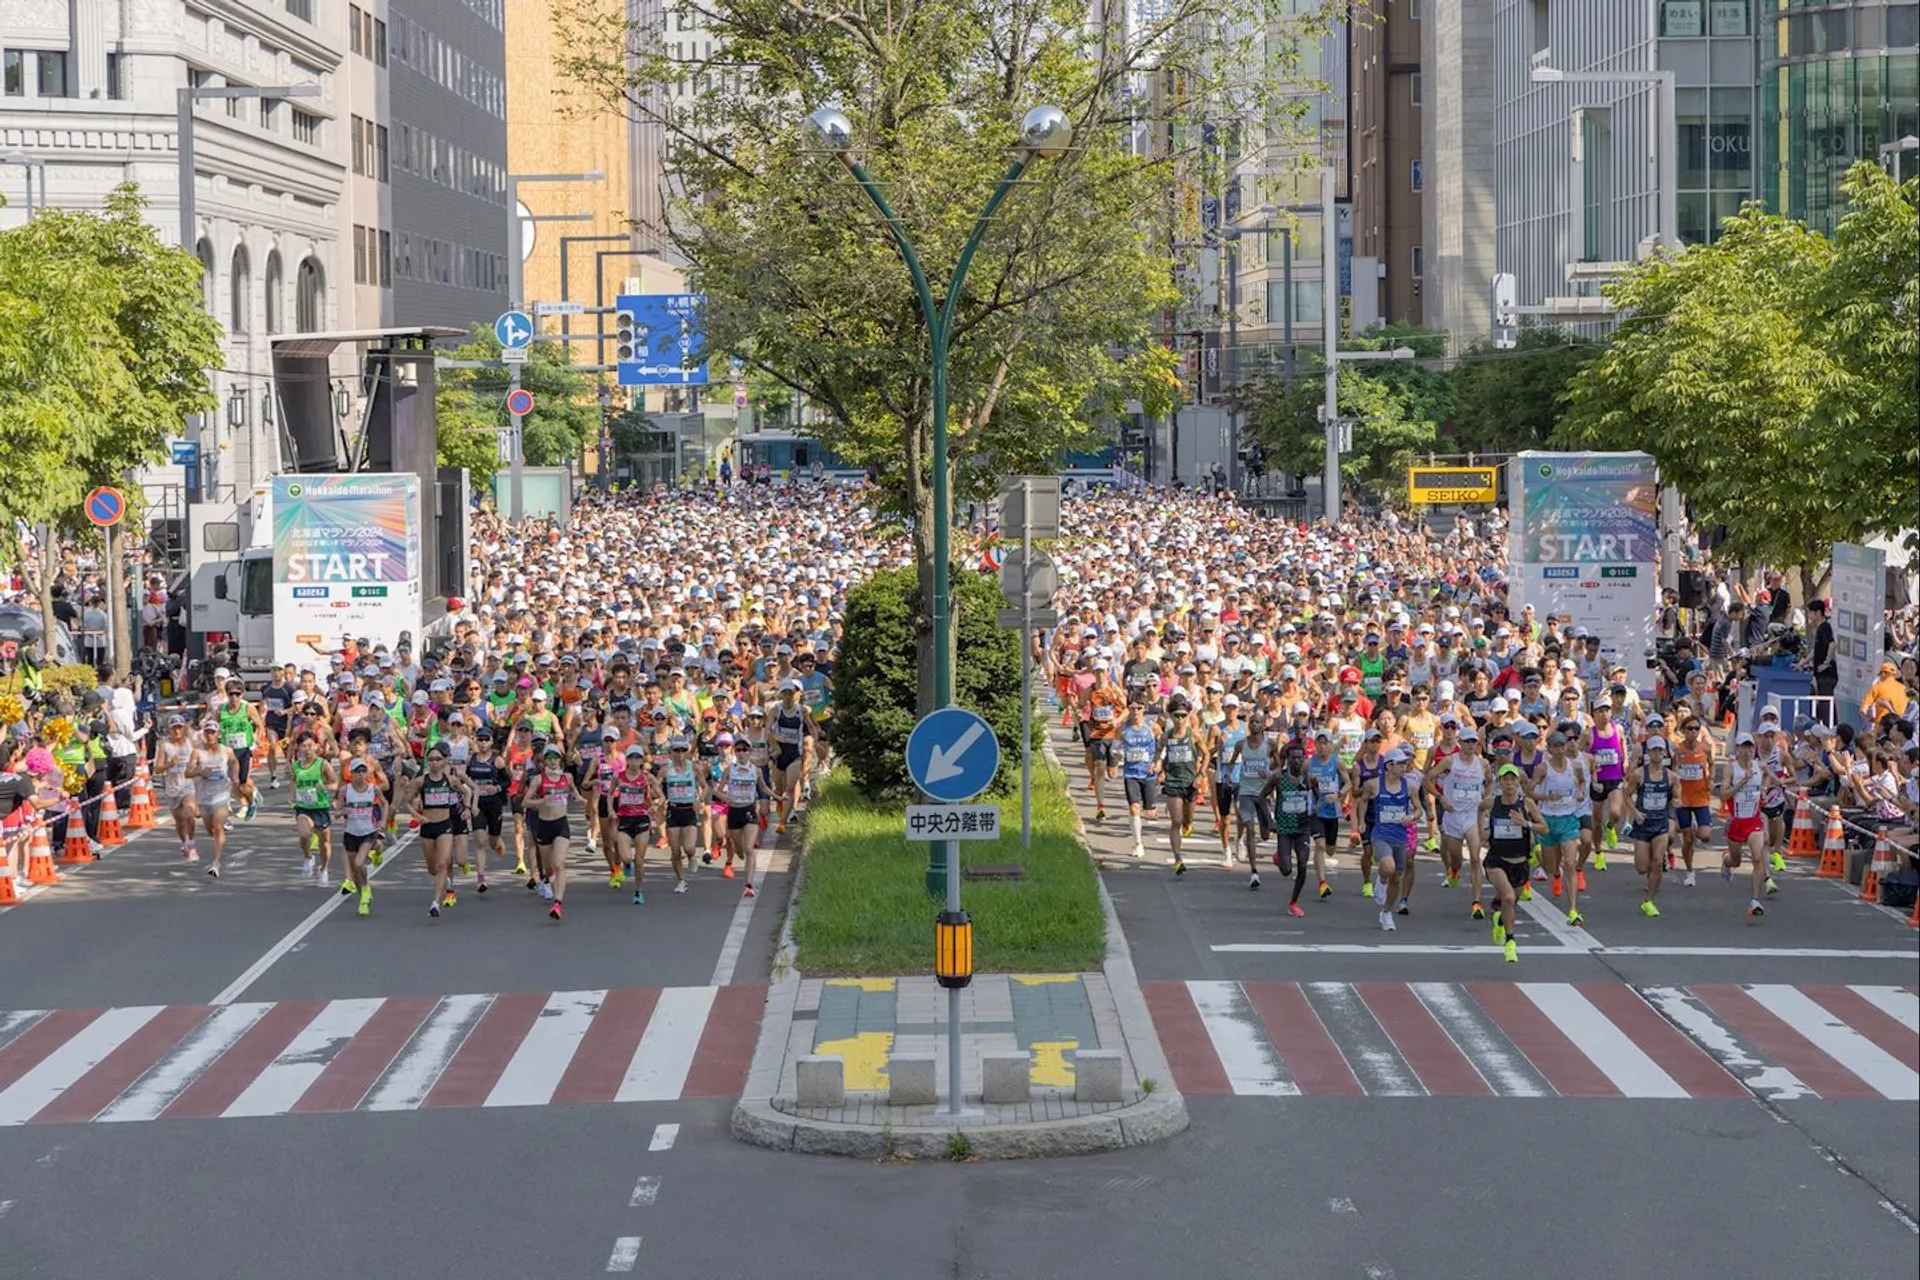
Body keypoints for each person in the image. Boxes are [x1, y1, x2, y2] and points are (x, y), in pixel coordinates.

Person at [1481, 763, 1543, 963]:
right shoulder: (1492, 803)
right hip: (1497, 860)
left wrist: (1527, 824)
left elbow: (1545, 828)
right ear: (1499, 782)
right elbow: (1480, 809)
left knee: (1511, 902)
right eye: (1505, 779)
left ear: (1518, 782)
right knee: (1507, 897)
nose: (1509, 783)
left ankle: (1499, 919)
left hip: (1521, 862)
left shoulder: (1527, 805)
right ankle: (1510, 942)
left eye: (1512, 779)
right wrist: (1483, 831)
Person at [1718, 732, 1778, 917]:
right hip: (1736, 823)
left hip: (1754, 822)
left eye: (1750, 747)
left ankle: (1754, 901)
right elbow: (1723, 795)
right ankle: (1727, 861)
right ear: (1737, 749)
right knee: (1736, 861)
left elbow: (1770, 776)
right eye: (1743, 747)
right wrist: (1743, 782)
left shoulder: (1759, 766)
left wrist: (1764, 790)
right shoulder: (1731, 768)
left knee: (1758, 858)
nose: (1747, 751)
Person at [1364, 748, 1418, 932]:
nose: (1405, 766)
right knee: (1388, 866)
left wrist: (1412, 817)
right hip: (1381, 833)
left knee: (1397, 878)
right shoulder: (1374, 784)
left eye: (1405, 763)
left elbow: (1419, 809)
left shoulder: (1409, 786)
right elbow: (1363, 800)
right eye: (1401, 763)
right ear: (1389, 766)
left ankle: (1386, 912)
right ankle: (1381, 880)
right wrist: (1360, 823)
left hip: (1400, 836)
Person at [1626, 735, 1675, 917]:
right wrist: (1635, 812)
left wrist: (1677, 801)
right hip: (1643, 824)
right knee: (1641, 867)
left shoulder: (1671, 777)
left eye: (1660, 750)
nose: (1657, 754)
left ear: (1664, 753)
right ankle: (1652, 871)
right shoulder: (1639, 774)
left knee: (1656, 862)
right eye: (1654, 750)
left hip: (1660, 824)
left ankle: (1649, 901)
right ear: (1648, 753)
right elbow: (1626, 794)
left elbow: (1676, 797)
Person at [184, 718, 239, 876]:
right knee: (211, 831)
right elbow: (187, 773)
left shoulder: (226, 750)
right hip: (204, 798)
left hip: (222, 796)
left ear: (218, 734)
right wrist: (200, 772)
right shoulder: (197, 752)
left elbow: (234, 762)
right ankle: (218, 844)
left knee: (218, 827)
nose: (210, 735)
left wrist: (234, 776)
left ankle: (216, 863)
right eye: (207, 732)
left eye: (213, 732)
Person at [1159, 697, 1202, 875]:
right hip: (1173, 782)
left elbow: (1206, 753)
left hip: (1190, 783)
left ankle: (1188, 825)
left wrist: (1201, 774)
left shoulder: (1193, 734)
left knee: (1187, 820)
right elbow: (1159, 754)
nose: (1179, 720)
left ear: (1188, 716)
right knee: (1175, 821)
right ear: (1170, 716)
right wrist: (1158, 768)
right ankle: (1177, 858)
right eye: (1176, 716)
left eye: (1183, 716)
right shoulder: (1166, 736)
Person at [289, 734, 337, 888]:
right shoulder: (296, 766)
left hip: (320, 807)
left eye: (310, 745)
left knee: (324, 843)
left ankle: (324, 869)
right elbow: (294, 782)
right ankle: (308, 857)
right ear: (299, 748)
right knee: (304, 835)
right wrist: (291, 798)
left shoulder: (322, 764)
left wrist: (325, 787)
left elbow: (336, 784)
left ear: (317, 746)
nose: (307, 749)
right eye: (303, 746)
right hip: (303, 807)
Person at [1118, 701, 1161, 859]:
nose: (1136, 711)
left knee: (1149, 813)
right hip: (1131, 774)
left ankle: (1151, 807)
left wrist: (1158, 761)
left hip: (1148, 774)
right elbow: (1116, 746)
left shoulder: (1152, 727)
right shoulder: (1124, 729)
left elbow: (1161, 745)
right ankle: (1138, 843)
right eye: (1133, 708)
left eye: (1139, 708)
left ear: (1144, 709)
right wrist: (1116, 757)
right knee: (1134, 808)